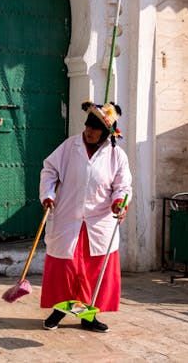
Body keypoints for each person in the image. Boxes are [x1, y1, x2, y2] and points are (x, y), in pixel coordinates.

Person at [38, 101, 133, 333]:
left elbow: (123, 186)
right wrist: (48, 195)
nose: (89, 132)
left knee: (93, 272)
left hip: (99, 222)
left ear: (106, 133)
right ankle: (59, 311)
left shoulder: (117, 155)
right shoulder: (70, 146)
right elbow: (49, 170)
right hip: (68, 218)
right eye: (88, 127)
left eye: (95, 129)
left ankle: (88, 316)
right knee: (65, 269)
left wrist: (119, 202)